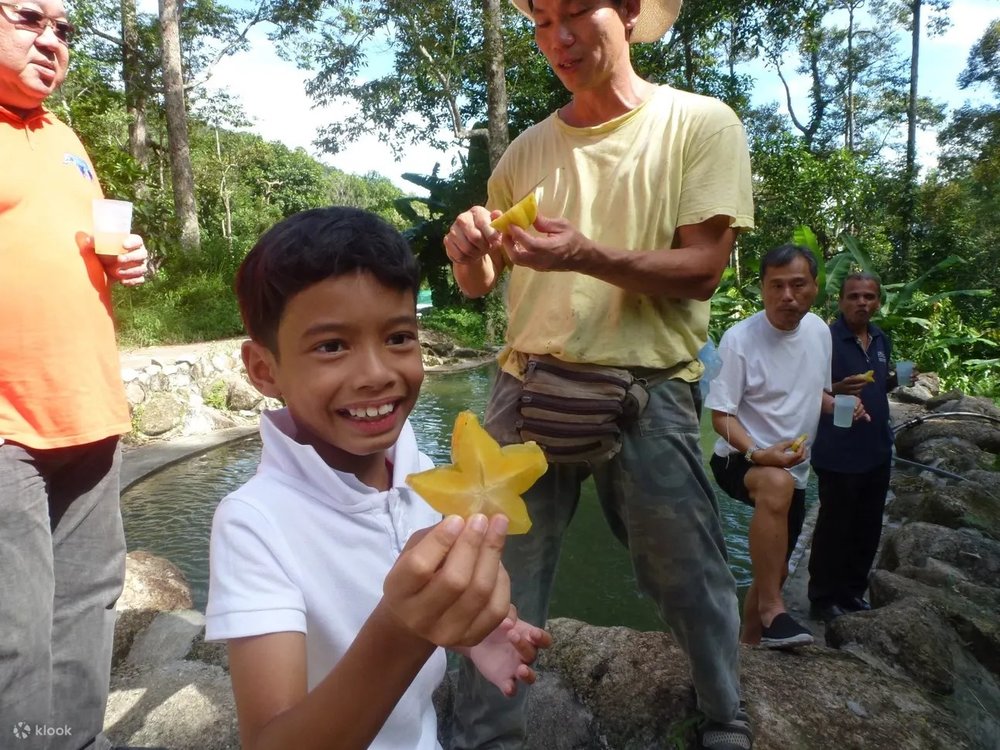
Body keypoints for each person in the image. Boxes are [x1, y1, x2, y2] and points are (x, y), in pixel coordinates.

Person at [443, 1, 755, 747]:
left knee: (686, 576)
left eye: (578, 11)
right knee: (496, 576)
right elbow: (483, 282)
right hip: (526, 389)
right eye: (542, 20)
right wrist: (468, 251)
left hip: (649, 391)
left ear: (632, 11)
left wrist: (587, 255)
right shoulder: (523, 151)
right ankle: (486, 736)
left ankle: (725, 716)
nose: (559, 38)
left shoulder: (700, 124)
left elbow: (704, 269)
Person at [205, 206, 551, 750]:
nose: (376, 374)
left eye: (398, 338)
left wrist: (470, 635)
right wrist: (407, 630)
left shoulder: (414, 463)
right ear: (263, 369)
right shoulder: (252, 523)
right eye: (331, 346)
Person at [0, 0, 150, 747]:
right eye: (30, 18)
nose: (52, 40)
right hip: (5, 428)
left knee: (88, 608)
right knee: (15, 637)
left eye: (64, 29)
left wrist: (128, 258)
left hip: (89, 413)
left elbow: (75, 244)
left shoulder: (64, 136)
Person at [706, 245, 865, 650]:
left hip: (793, 466)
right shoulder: (739, 339)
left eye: (797, 285)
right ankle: (774, 610)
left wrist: (839, 406)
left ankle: (750, 644)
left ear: (815, 288)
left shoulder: (818, 333)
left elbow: (816, 393)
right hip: (740, 458)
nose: (786, 296)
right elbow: (721, 417)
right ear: (762, 289)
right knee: (775, 485)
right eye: (776, 286)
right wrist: (758, 452)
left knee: (772, 569)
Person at [807, 273, 896, 622]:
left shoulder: (879, 339)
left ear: (878, 302)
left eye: (869, 297)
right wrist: (835, 388)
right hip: (838, 450)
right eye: (854, 296)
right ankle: (822, 597)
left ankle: (852, 592)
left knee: (868, 524)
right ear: (841, 300)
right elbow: (807, 388)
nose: (862, 303)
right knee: (834, 527)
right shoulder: (825, 340)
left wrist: (895, 381)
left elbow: (876, 385)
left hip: (876, 448)